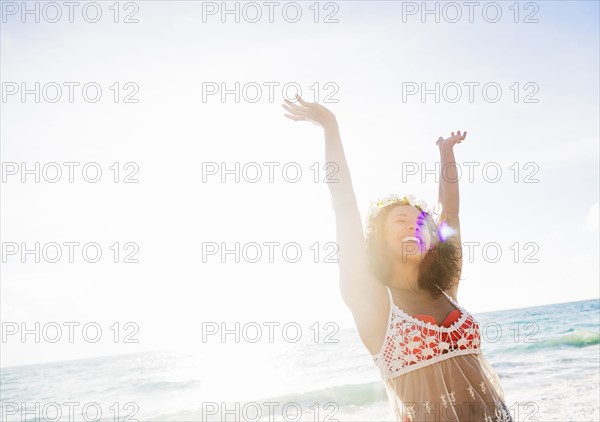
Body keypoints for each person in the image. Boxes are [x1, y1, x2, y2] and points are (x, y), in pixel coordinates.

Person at [282, 95, 513, 422]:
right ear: (378, 239)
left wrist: (446, 155)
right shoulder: (374, 302)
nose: (413, 227)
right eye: (400, 221)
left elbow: (451, 214)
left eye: (420, 223)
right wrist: (330, 127)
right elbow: (344, 206)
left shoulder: (446, 288)